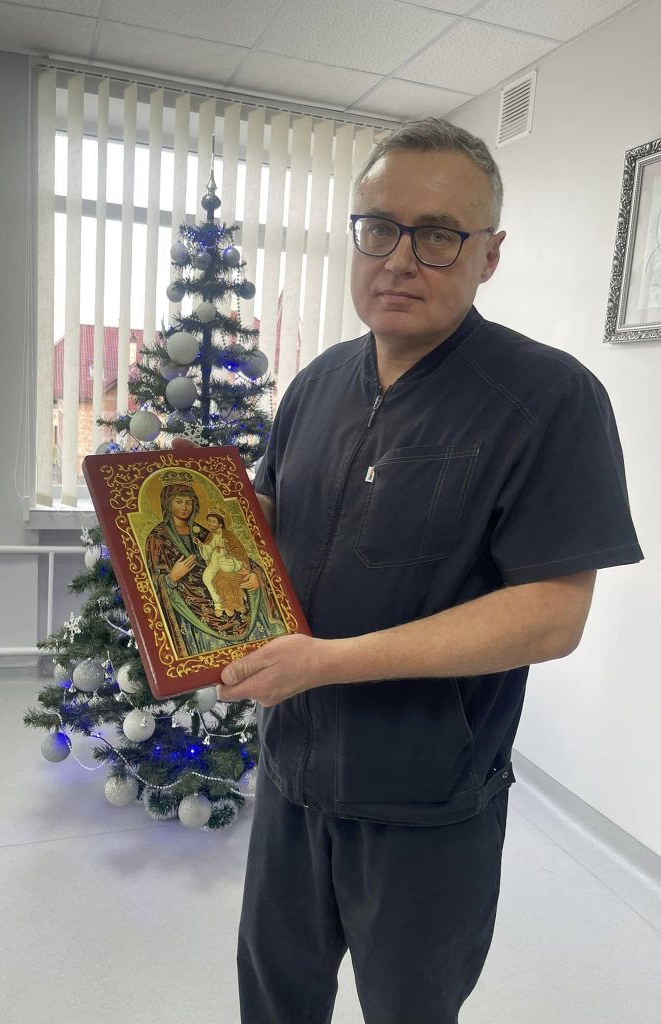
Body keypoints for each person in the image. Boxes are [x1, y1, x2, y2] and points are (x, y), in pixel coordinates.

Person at [215, 118, 645, 1024]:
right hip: (292, 773)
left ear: (489, 254)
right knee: (274, 996)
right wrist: (194, 515)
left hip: (425, 804)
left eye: (438, 235)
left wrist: (328, 663)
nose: (400, 260)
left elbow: (549, 616)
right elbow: (276, 520)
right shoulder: (317, 384)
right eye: (378, 227)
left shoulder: (550, 399)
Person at [145, 471, 283, 657]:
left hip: (224, 584)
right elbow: (149, 585)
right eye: (179, 501)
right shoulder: (157, 537)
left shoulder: (203, 532)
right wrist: (171, 577)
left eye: (189, 502)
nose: (184, 507)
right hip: (189, 603)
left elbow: (239, 555)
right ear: (167, 503)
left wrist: (255, 574)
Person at [197, 508, 250, 617]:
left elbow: (238, 549)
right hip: (215, 562)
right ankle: (218, 604)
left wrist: (229, 553)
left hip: (229, 561)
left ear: (220, 524)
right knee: (206, 578)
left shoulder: (228, 535)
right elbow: (208, 554)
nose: (210, 523)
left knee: (223, 572)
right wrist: (201, 545)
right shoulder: (210, 536)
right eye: (209, 521)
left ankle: (233, 604)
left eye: (214, 521)